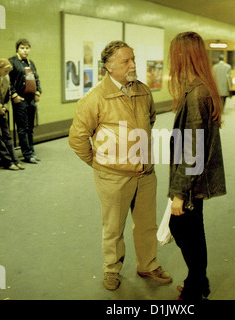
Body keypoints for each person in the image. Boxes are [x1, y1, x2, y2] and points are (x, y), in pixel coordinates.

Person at [68, 40, 172, 291]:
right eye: (126, 61)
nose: (133, 65)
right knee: (114, 227)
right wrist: (99, 163)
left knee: (147, 224)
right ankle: (112, 269)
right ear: (109, 66)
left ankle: (148, 263)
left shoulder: (143, 91)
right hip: (113, 177)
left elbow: (150, 119)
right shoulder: (95, 99)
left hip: (146, 174)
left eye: (133, 59)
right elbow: (77, 138)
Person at [167, 32, 226, 301]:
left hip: (191, 178)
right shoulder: (202, 87)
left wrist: (179, 193)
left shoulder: (195, 94)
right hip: (197, 176)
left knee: (181, 228)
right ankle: (198, 283)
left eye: (174, 54)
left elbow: (192, 149)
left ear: (183, 56)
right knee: (193, 228)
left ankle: (195, 288)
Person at [9, 39, 42, 163]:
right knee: (22, 128)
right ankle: (27, 154)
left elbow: (36, 78)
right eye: (22, 48)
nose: (25, 50)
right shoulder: (12, 62)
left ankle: (31, 151)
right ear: (17, 49)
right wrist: (14, 95)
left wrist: (38, 92)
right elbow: (9, 81)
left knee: (30, 128)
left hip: (31, 99)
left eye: (27, 48)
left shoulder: (30, 63)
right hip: (20, 100)